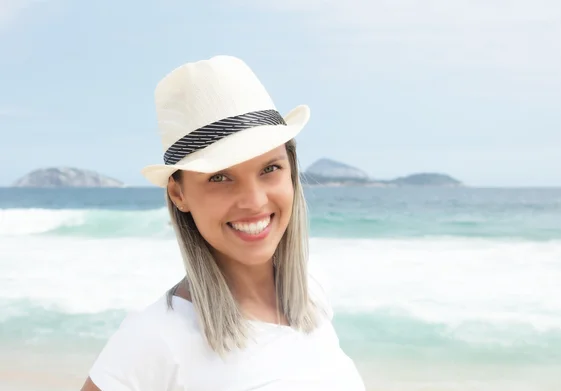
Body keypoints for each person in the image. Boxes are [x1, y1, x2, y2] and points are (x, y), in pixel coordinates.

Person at [80, 55, 366, 391]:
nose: (254, 201)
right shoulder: (155, 338)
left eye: (270, 169)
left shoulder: (312, 294)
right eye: (219, 177)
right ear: (178, 193)